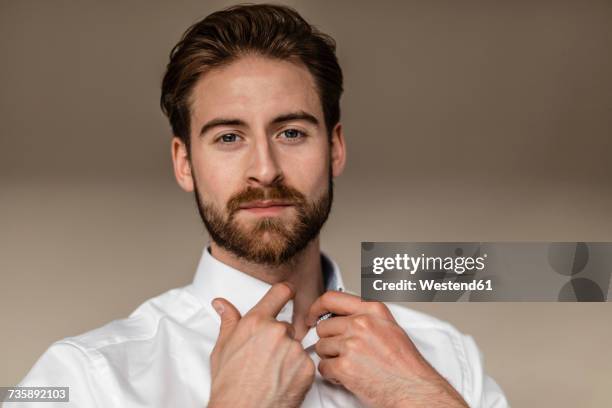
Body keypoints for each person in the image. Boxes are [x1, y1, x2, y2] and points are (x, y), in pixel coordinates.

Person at [13, 4, 508, 407]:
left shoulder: (445, 357)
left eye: (291, 132)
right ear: (184, 163)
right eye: (229, 137)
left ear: (335, 148)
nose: (265, 169)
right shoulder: (85, 378)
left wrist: (418, 396)